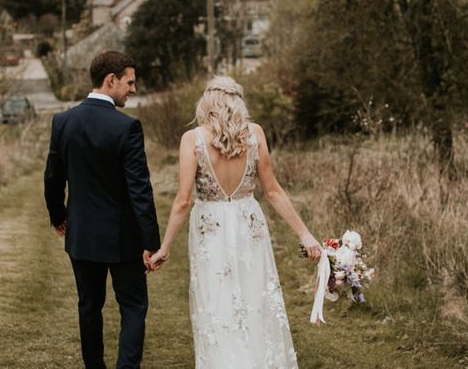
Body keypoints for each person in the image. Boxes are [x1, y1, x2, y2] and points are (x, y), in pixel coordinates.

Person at [148, 76, 322, 368]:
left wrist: (165, 247)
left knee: (217, 301)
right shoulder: (255, 134)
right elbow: (273, 191)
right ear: (237, 101)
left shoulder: (193, 139)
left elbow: (182, 201)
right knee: (255, 297)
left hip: (209, 226)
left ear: (207, 103)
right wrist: (305, 235)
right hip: (247, 221)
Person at [44, 50, 160, 369]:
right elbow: (140, 191)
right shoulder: (127, 128)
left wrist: (59, 216)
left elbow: (53, 177)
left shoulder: (63, 121)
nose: (133, 89)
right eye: (130, 82)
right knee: (134, 307)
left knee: (89, 307)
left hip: (81, 235)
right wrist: (151, 242)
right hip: (124, 238)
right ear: (111, 80)